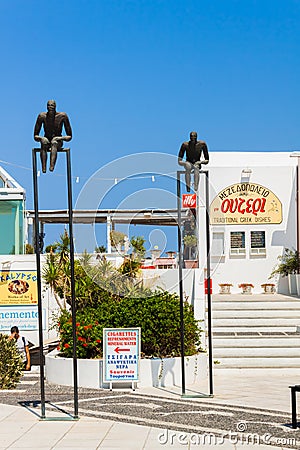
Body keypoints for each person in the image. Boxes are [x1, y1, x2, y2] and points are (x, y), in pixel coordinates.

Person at [34, 100, 72, 173]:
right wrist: (41, 138)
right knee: (44, 142)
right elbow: (35, 136)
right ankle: (44, 167)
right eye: (49, 105)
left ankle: (51, 166)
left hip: (58, 141)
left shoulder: (63, 116)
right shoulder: (42, 116)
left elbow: (69, 136)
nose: (50, 107)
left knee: (54, 142)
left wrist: (60, 138)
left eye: (52, 105)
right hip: (47, 140)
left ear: (55, 106)